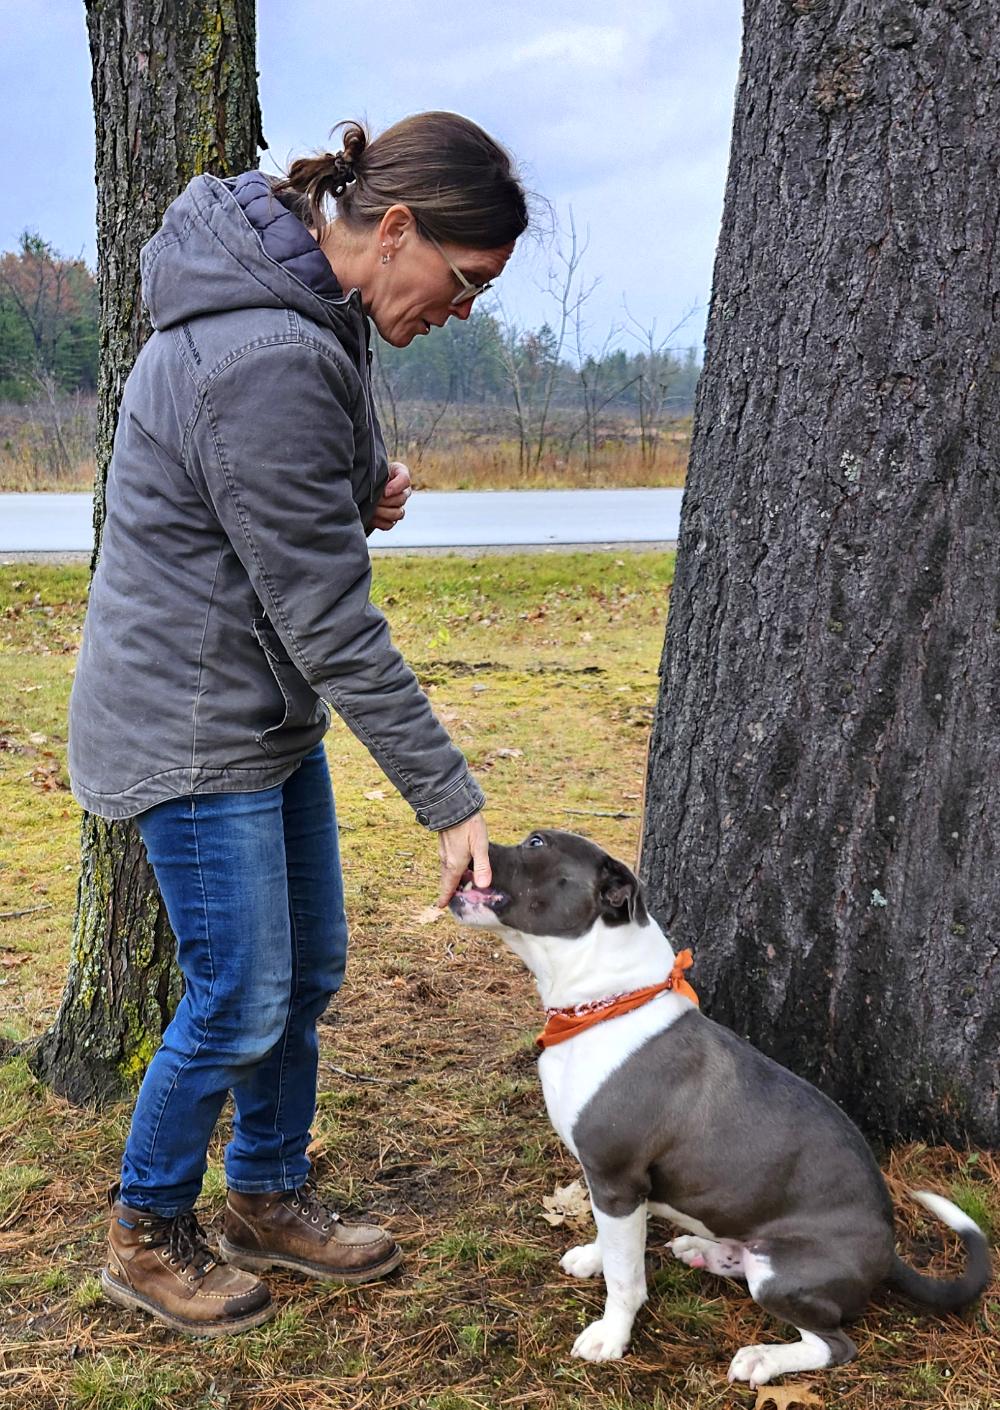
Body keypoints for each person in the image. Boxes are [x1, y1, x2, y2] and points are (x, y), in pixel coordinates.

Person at [67, 111, 528, 1337]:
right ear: (392, 231)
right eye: (465, 279)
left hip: (254, 704)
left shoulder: (313, 313)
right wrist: (449, 797)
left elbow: (276, 520)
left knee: (304, 970)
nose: (465, 309)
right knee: (239, 992)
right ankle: (146, 1231)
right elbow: (329, 619)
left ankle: (265, 1193)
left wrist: (355, 489)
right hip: (193, 717)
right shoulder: (263, 350)